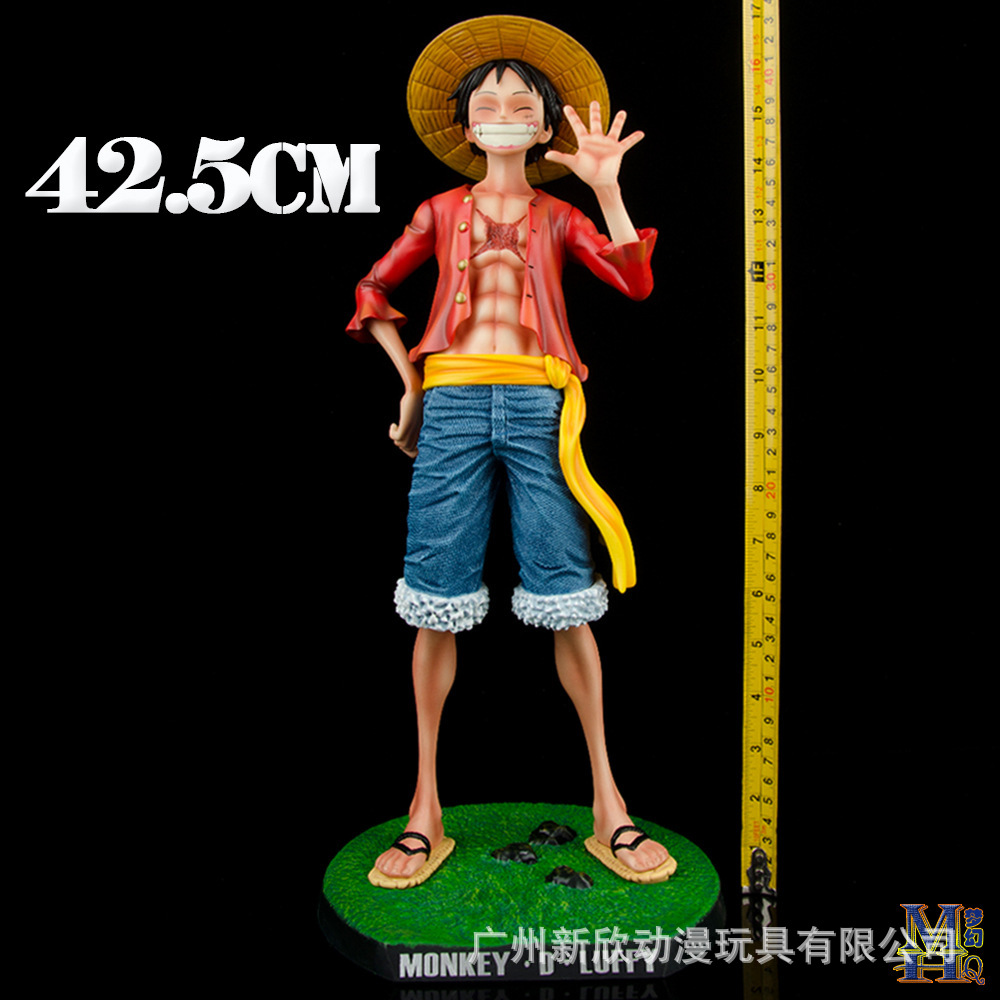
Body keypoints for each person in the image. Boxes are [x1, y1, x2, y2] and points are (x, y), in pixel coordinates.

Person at [347, 16, 676, 888]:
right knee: (433, 597)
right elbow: (373, 287)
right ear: (465, 126)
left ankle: (609, 807)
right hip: (452, 403)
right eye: (488, 104)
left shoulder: (559, 215)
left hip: (538, 404)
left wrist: (608, 190)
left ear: (543, 127)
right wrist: (411, 386)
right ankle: (424, 810)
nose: (503, 115)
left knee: (568, 595)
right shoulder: (438, 211)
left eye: (521, 105)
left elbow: (634, 280)